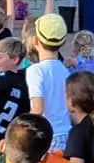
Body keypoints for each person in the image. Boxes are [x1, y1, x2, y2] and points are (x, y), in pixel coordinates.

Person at [25, 13, 71, 151]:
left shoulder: (35, 70)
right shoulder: (65, 70)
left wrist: (22, 130)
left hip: (47, 135)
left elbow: (38, 109)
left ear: (35, 41)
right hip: (67, 133)